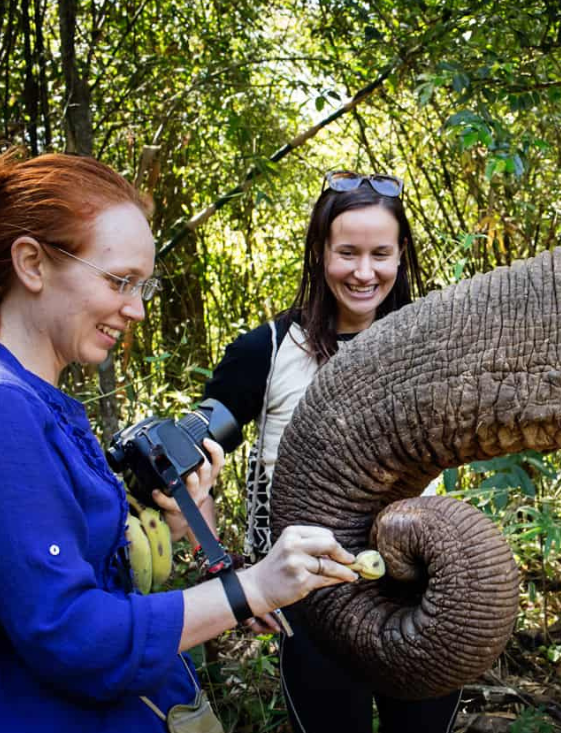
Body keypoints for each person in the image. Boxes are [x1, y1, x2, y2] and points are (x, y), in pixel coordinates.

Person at [0, 148, 359, 731]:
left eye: (145, 285)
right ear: (32, 263)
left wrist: (175, 523)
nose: (136, 309)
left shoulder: (44, 401)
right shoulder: (7, 408)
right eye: (119, 280)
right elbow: (69, 635)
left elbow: (77, 577)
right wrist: (253, 589)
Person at [203, 170, 460, 733]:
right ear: (320, 253)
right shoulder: (267, 351)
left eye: (380, 254)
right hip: (312, 600)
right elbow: (197, 457)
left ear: (401, 256)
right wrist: (233, 578)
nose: (364, 272)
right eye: (347, 252)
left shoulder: (431, 344)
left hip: (419, 592)